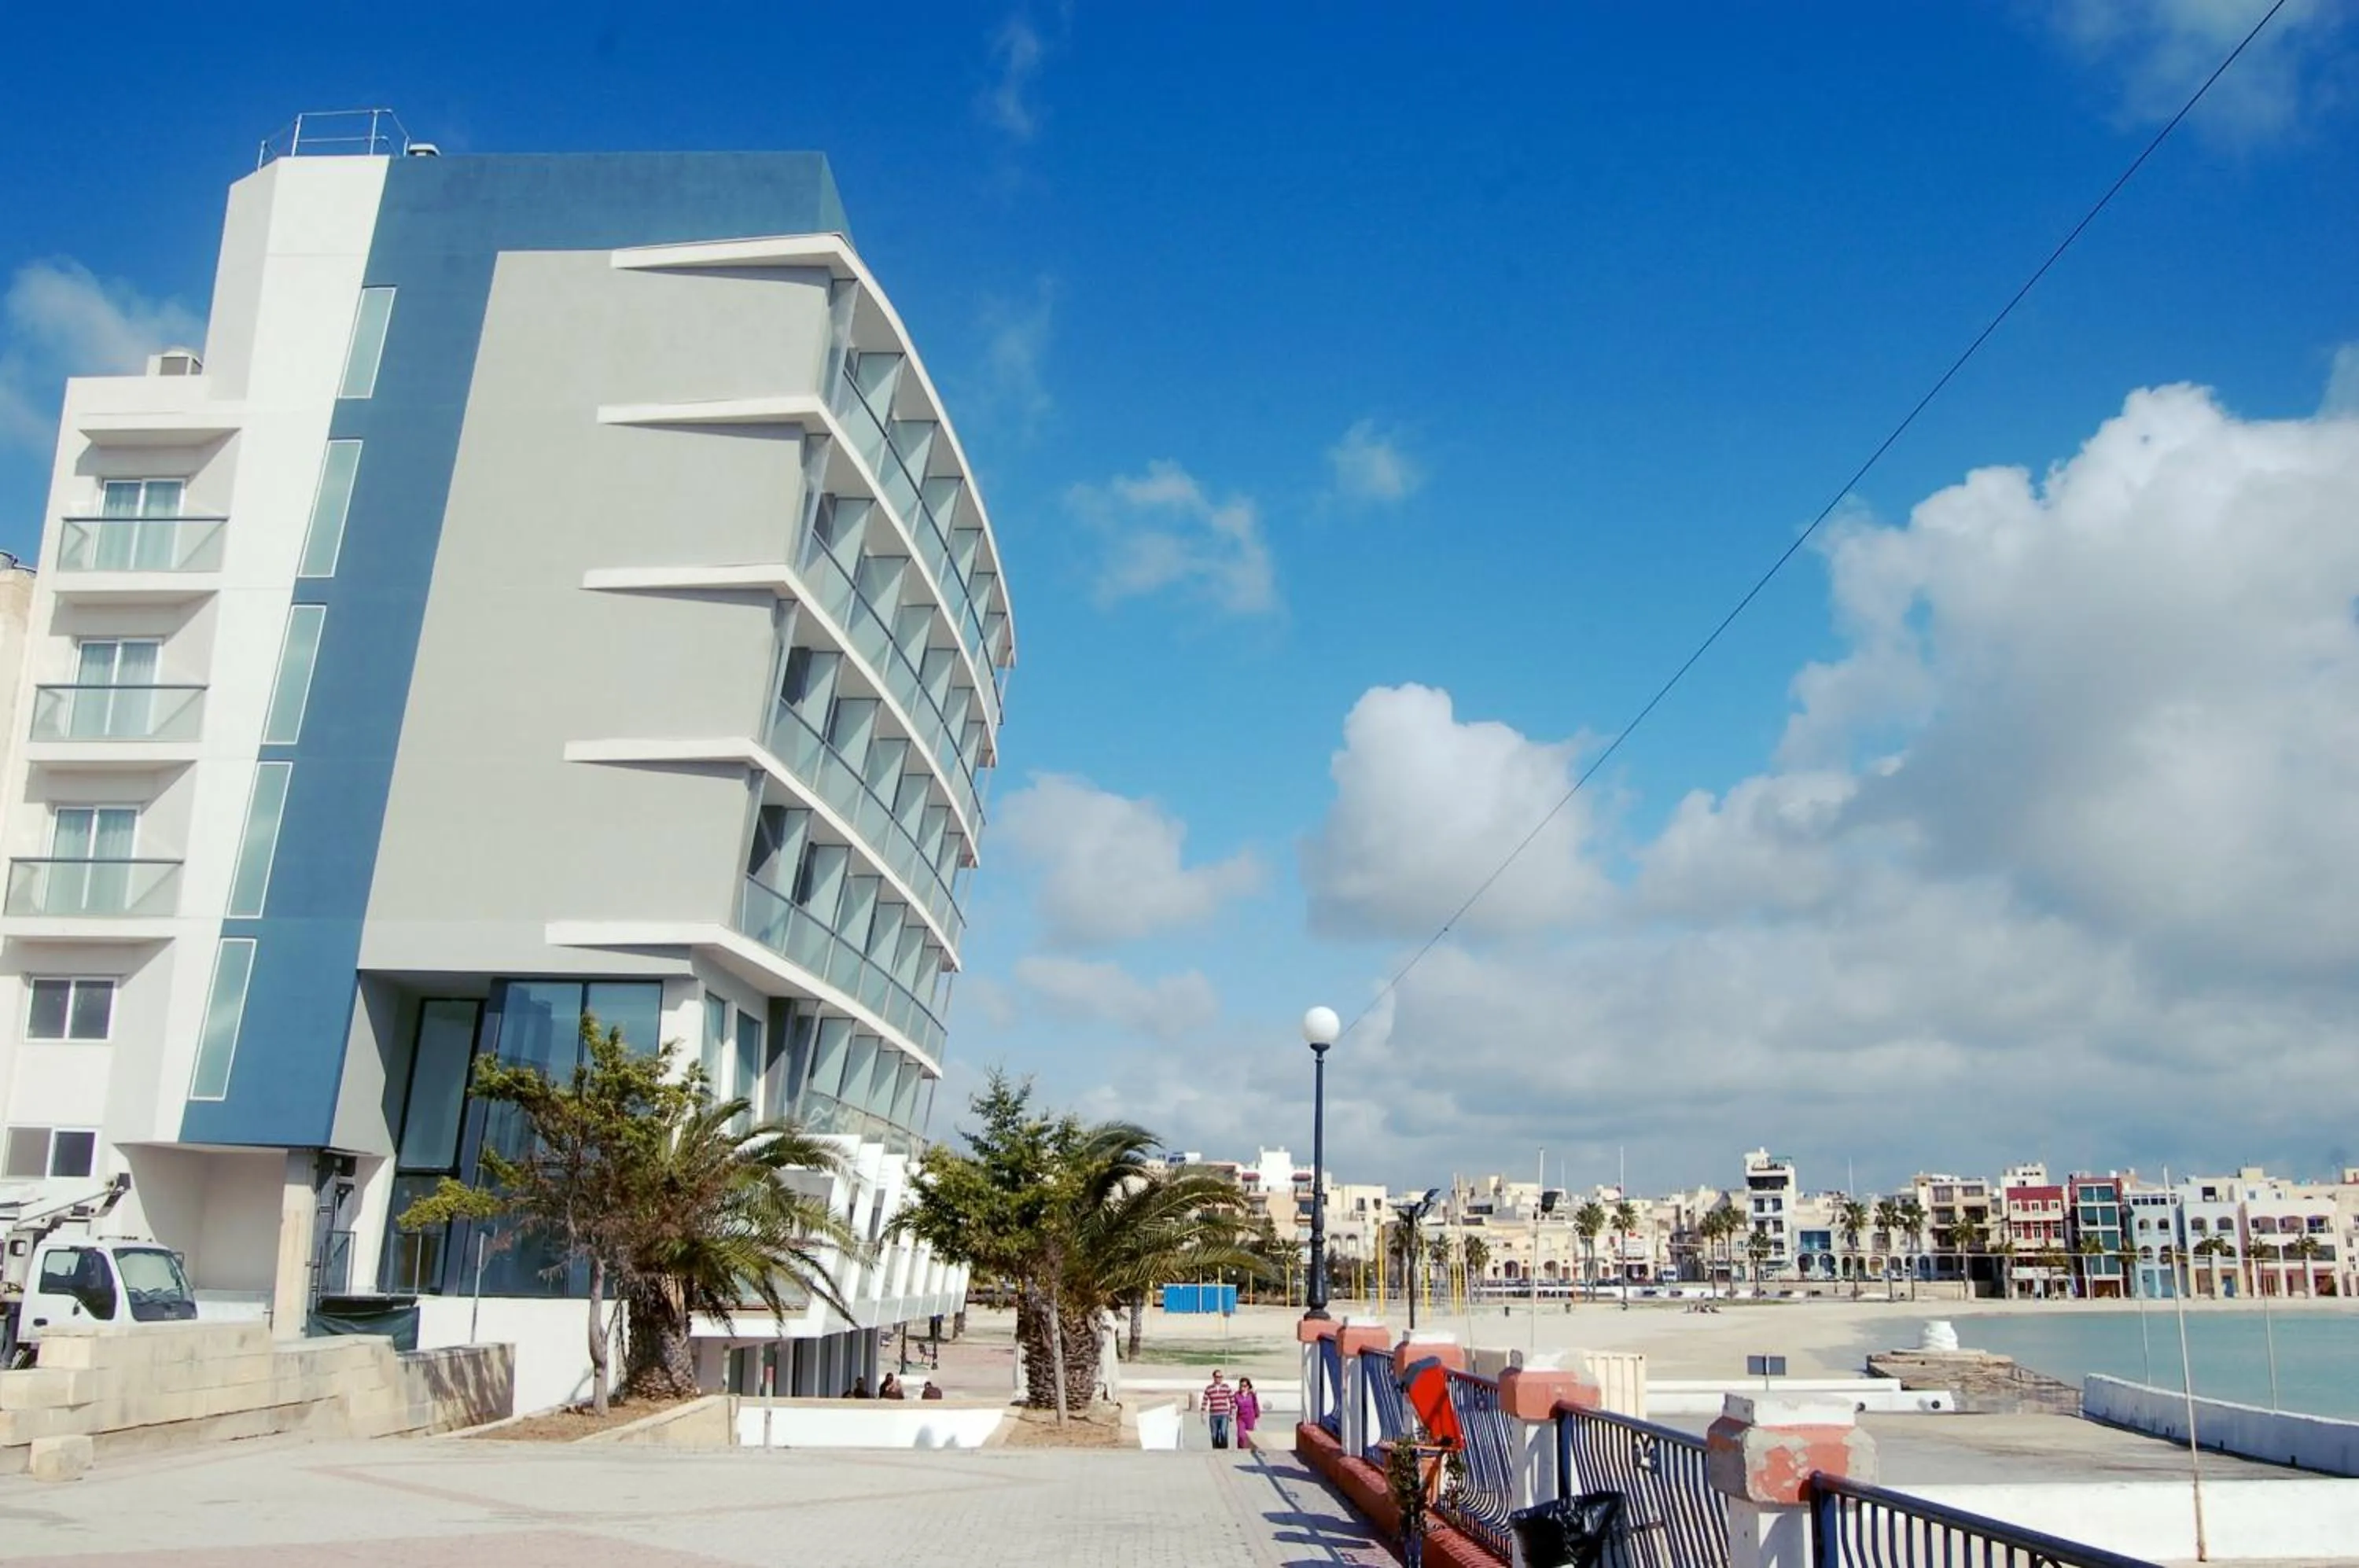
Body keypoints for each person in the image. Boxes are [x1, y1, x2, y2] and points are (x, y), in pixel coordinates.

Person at [1202, 1369, 1238, 1450]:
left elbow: (1232, 1400)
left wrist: (1232, 1414)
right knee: (1214, 1434)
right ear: (1214, 1377)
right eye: (1217, 1377)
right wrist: (1203, 1414)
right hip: (1213, 1415)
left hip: (1224, 1414)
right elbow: (1204, 1401)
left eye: (1221, 1377)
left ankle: (1224, 1450)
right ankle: (1216, 1450)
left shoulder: (1226, 1387)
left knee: (1223, 1432)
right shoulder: (1209, 1388)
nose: (1219, 1378)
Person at [1235, 1376, 1260, 1452]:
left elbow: (1255, 1404)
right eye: (1241, 1385)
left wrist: (1257, 1414)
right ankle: (1241, 1449)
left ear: (1248, 1386)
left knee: (1249, 1436)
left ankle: (1247, 1450)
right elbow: (1233, 1405)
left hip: (1250, 1417)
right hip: (1241, 1418)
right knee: (1241, 1435)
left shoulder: (1252, 1395)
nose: (1243, 1387)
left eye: (1245, 1386)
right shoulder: (1237, 1395)